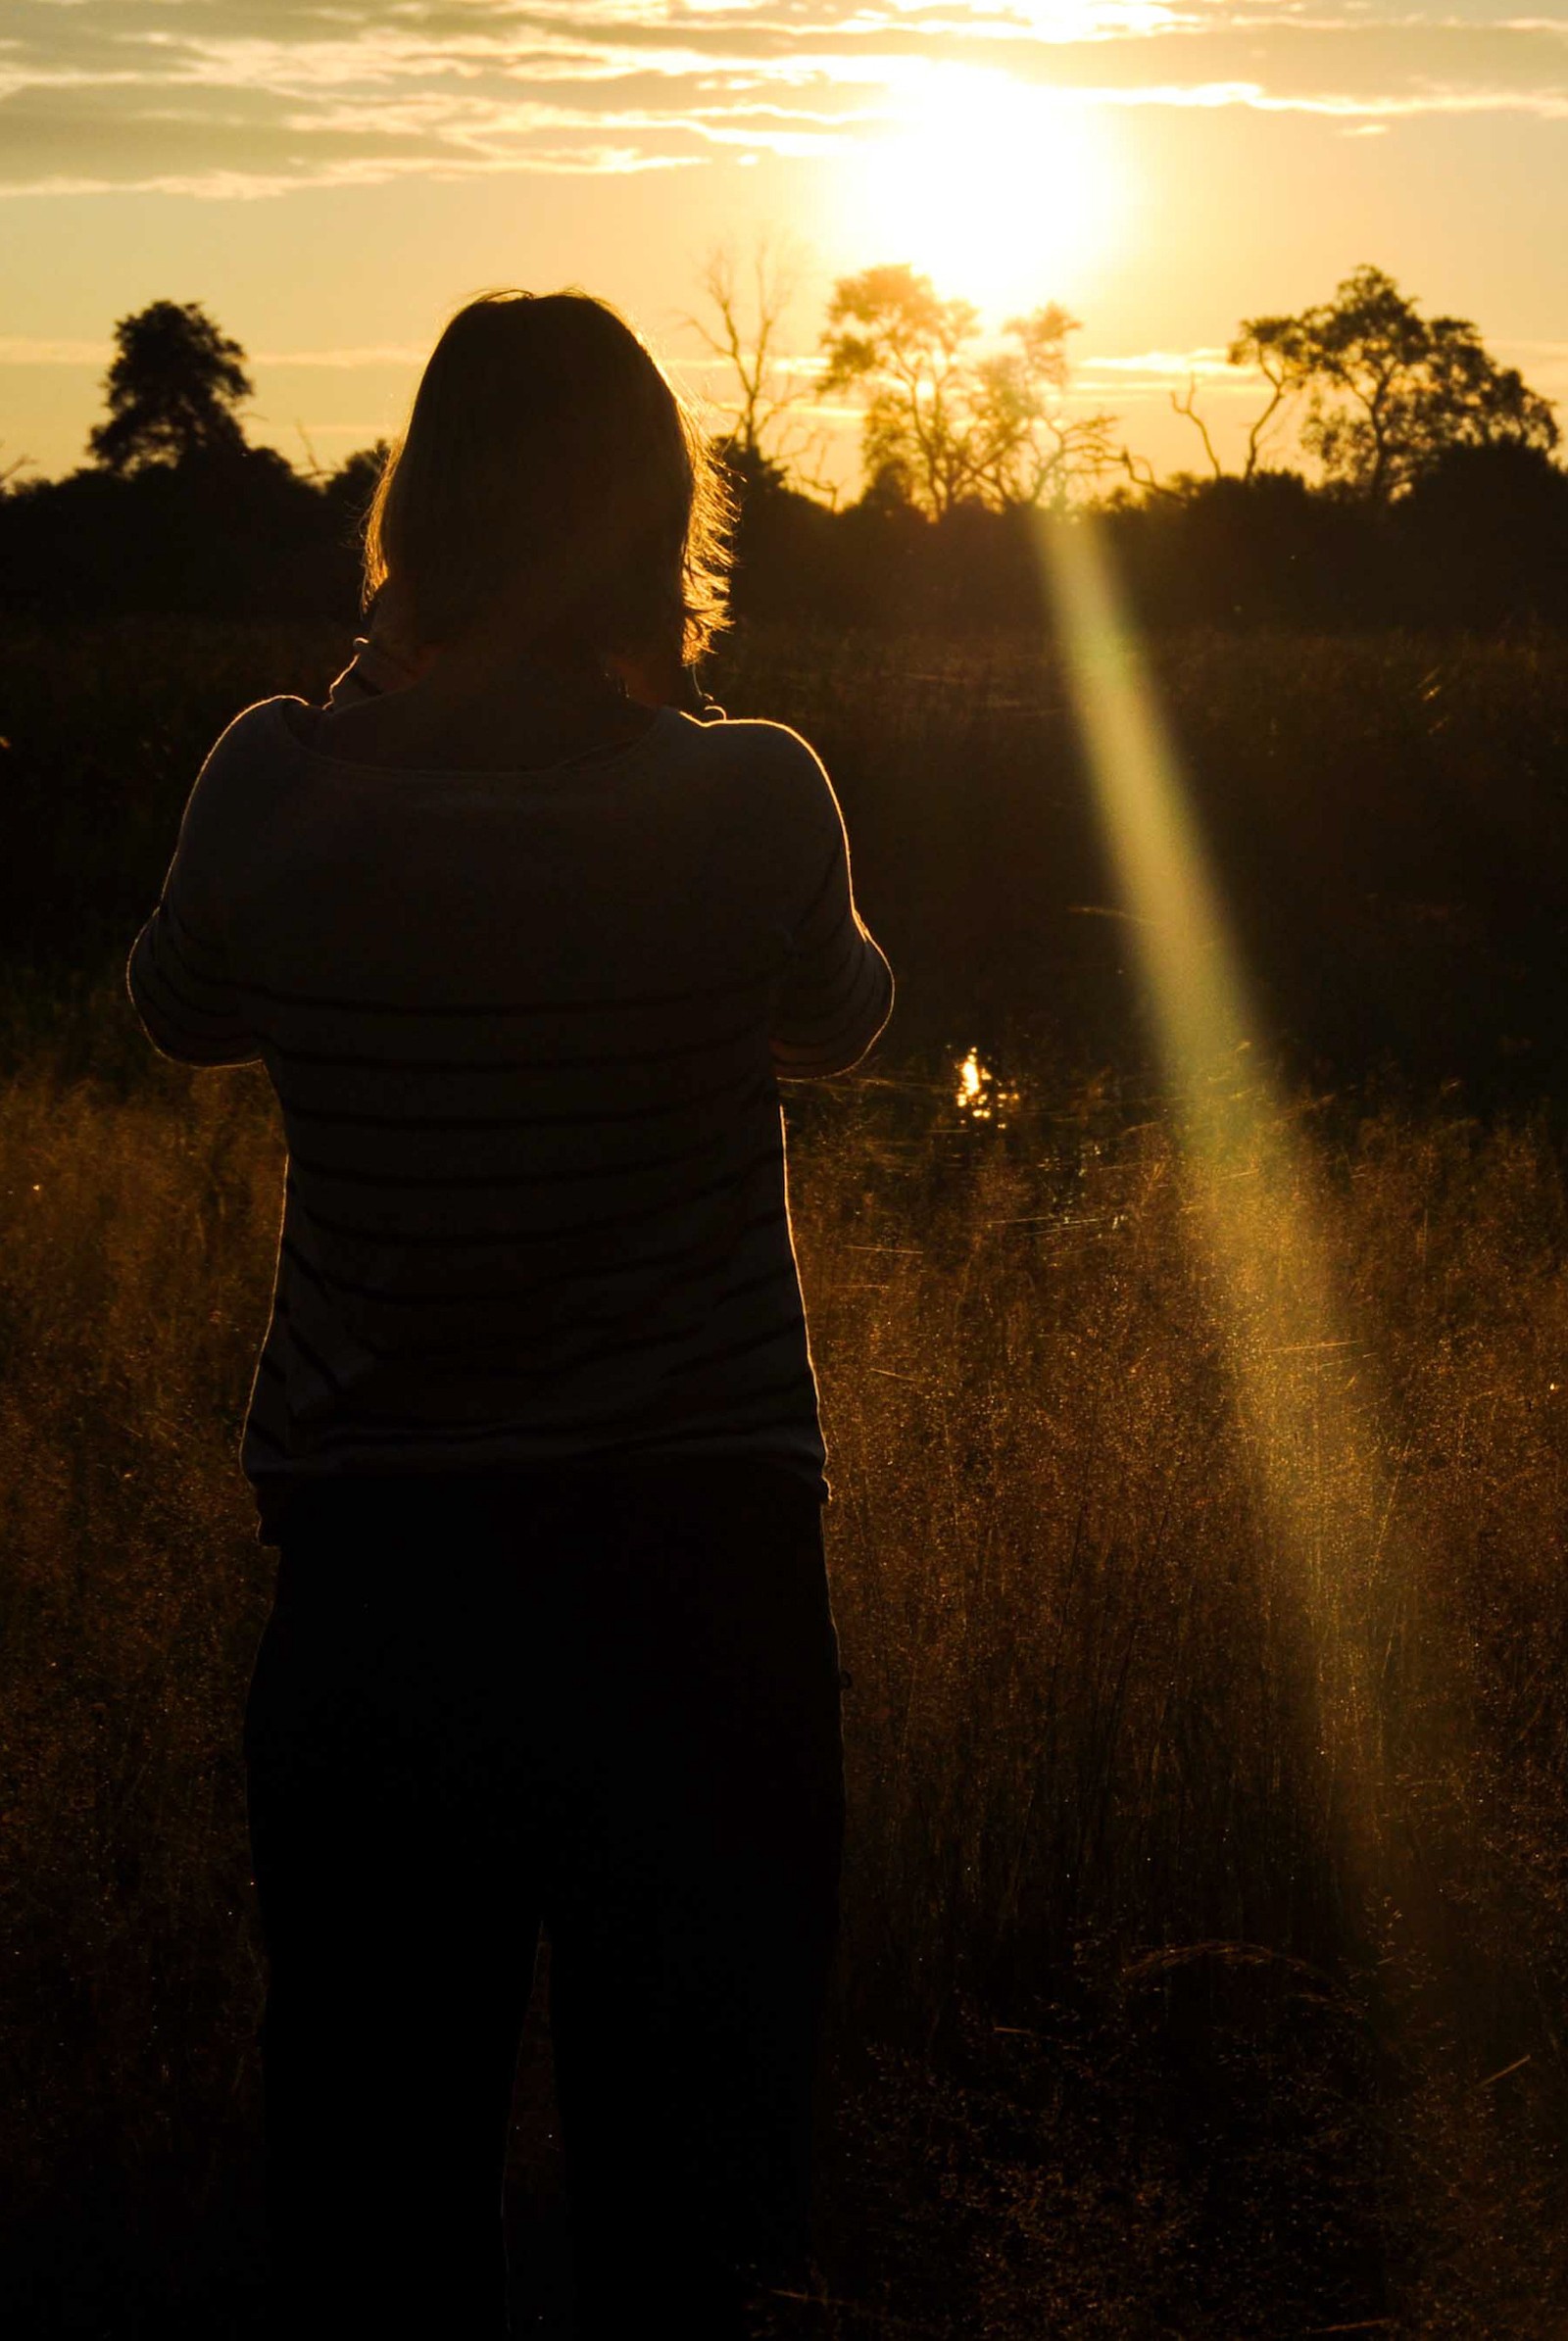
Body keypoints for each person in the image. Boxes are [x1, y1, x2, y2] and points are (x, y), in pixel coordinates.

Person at [125, 289, 893, 2340]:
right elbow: (842, 1024)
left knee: (378, 2198)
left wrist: (369, 698)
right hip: (699, 1581)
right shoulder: (747, 799)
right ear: (656, 525)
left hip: (385, 1578)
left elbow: (180, 1011)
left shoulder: (277, 785)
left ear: (418, 511)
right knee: (702, 2211)